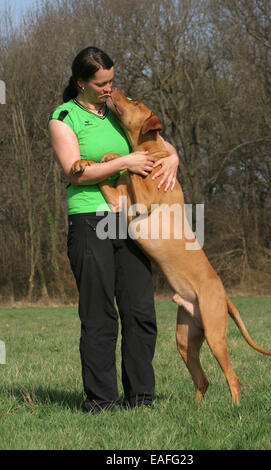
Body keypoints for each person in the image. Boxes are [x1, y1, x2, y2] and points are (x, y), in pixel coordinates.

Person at [47, 46, 179, 413]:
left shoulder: (120, 110)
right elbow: (76, 169)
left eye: (111, 81)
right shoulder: (64, 117)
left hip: (132, 220)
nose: (109, 88)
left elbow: (158, 141)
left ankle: (141, 399)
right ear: (81, 83)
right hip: (91, 218)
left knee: (140, 310)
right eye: (101, 84)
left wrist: (175, 157)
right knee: (99, 314)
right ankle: (102, 402)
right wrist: (126, 161)